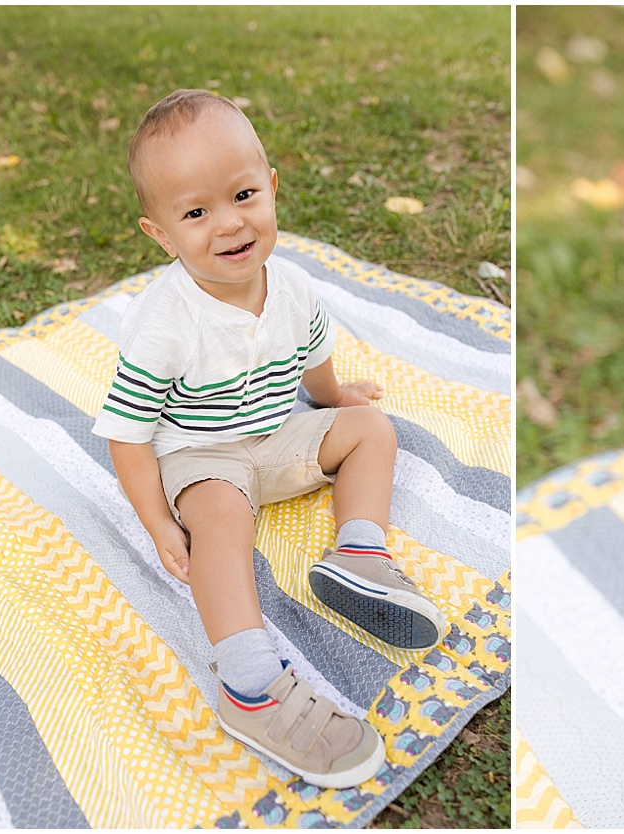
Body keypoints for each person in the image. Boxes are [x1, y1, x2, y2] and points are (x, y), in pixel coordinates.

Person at [93, 89, 447, 789]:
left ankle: (360, 554)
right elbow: (130, 437)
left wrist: (339, 400)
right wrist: (158, 521)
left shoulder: (292, 288)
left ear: (272, 188)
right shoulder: (164, 321)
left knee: (373, 429)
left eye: (244, 195)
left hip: (277, 434)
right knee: (219, 522)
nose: (229, 224)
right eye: (196, 213)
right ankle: (250, 684)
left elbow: (313, 361)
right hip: (202, 459)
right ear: (160, 234)